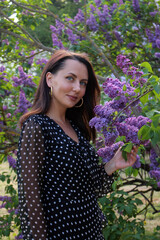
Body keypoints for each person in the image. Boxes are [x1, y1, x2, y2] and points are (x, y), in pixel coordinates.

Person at [17, 49, 138, 240]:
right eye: (70, 78)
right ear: (50, 79)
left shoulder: (76, 128)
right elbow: (29, 198)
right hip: (60, 233)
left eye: (83, 83)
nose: (77, 88)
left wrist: (113, 165)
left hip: (90, 231)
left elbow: (86, 187)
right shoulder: (36, 126)